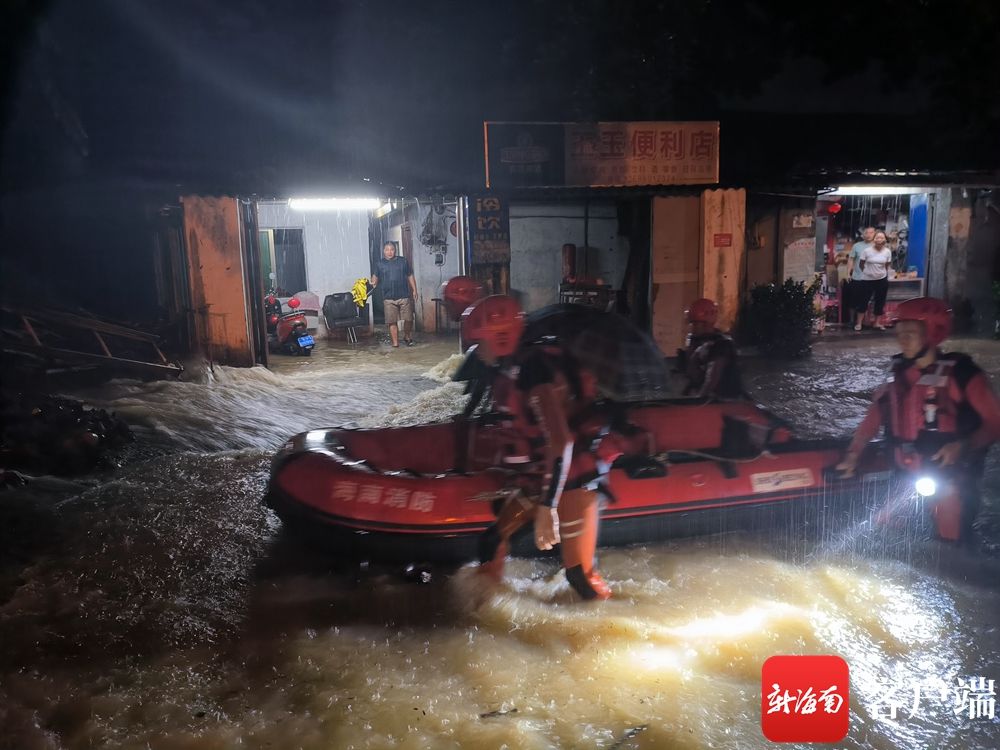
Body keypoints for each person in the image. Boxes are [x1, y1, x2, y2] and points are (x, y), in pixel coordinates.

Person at [456, 295, 613, 600]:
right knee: (491, 542)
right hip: (541, 475)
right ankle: (487, 610)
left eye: (479, 343)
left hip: (573, 478)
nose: (474, 351)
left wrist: (547, 508)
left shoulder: (533, 372)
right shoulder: (505, 369)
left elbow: (561, 441)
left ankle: (613, 621)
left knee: (578, 576)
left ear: (500, 339)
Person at [835, 297, 1000, 543]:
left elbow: (995, 423)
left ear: (933, 334)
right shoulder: (897, 374)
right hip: (905, 474)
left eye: (911, 332)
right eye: (899, 332)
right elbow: (873, 418)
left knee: (950, 540)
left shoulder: (962, 375)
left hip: (949, 478)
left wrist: (964, 445)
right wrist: (853, 454)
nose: (903, 339)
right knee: (886, 532)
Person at [681, 298, 743, 399]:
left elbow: (712, 379)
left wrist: (698, 401)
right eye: (691, 324)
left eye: (695, 324)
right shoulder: (696, 342)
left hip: (725, 401)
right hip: (710, 400)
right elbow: (693, 376)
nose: (692, 328)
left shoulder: (721, 344)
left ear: (706, 324)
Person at [370, 241, 417, 347]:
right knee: (392, 321)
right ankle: (395, 344)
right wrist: (372, 283)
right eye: (387, 250)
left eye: (392, 249)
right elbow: (375, 278)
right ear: (384, 251)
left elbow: (410, 275)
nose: (389, 252)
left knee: (409, 319)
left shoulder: (403, 261)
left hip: (404, 295)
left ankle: (407, 335)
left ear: (395, 250)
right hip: (388, 297)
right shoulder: (380, 264)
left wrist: (415, 290)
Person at [856, 230, 892, 330]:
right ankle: (859, 323)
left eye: (881, 237)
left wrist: (881, 274)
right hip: (867, 280)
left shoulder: (887, 251)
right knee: (863, 301)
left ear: (885, 239)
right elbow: (861, 264)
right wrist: (868, 272)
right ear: (874, 239)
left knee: (880, 301)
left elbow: (887, 265)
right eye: (877, 237)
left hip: (881, 280)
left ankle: (877, 323)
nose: (879, 239)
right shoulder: (867, 251)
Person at [845, 227, 875, 330]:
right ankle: (851, 320)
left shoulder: (877, 247)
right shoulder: (857, 246)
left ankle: (860, 323)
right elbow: (851, 259)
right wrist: (848, 273)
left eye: (871, 232)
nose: (868, 234)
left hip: (870, 279)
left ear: (874, 234)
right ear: (863, 234)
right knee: (853, 300)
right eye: (866, 232)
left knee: (864, 301)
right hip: (857, 277)